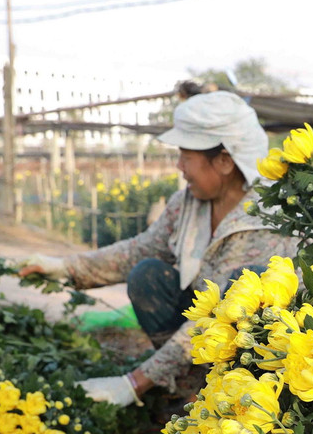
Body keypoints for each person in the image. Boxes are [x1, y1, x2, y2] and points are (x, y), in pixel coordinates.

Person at [18, 90, 298, 407]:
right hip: (206, 334)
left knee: (242, 288)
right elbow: (140, 251)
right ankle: (185, 391)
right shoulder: (189, 205)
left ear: (223, 161)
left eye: (186, 157)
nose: (179, 167)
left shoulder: (261, 220)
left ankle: (232, 396)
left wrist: (133, 383)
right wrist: (65, 267)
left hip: (257, 350)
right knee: (148, 276)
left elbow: (218, 319)